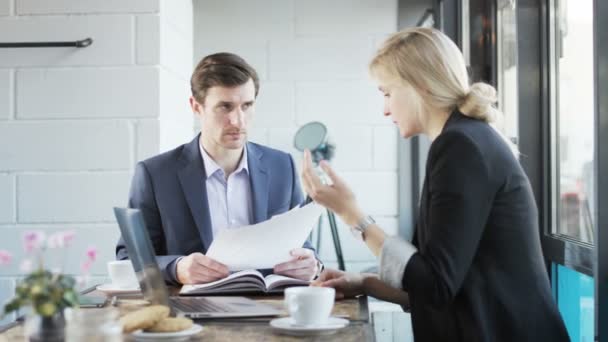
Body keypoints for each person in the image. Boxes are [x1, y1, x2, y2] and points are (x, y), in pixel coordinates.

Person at [302, 28, 569, 341]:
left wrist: (353, 216)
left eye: (387, 93)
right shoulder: (466, 140)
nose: (385, 109)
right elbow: (435, 282)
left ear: (421, 86)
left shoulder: (460, 146)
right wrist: (364, 283)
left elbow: (435, 285)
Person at [116, 53, 321, 285]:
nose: (238, 121)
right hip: (192, 313)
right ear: (196, 106)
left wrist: (310, 263)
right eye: (225, 107)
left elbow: (302, 247)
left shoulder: (282, 166)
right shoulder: (155, 174)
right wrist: (175, 268)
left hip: (270, 307)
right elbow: (128, 259)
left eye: (247, 106)